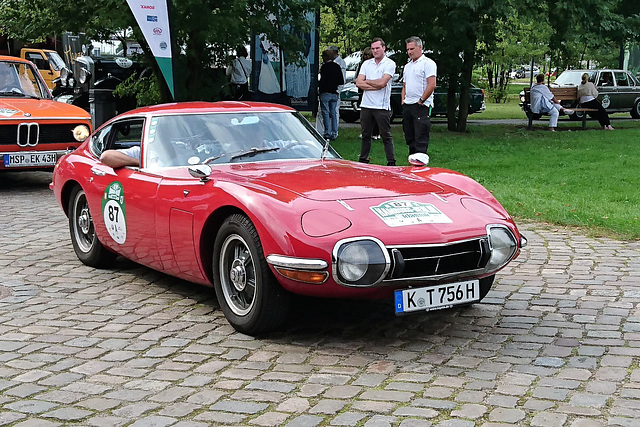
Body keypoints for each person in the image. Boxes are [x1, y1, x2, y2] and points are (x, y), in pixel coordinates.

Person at [356, 37, 396, 166]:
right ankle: (363, 159)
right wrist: (374, 84)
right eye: (373, 48)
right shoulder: (367, 64)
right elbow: (358, 82)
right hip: (366, 105)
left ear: (384, 48)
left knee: (385, 134)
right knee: (365, 134)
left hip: (381, 106)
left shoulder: (389, 63)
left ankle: (391, 161)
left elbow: (382, 83)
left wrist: (367, 82)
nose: (375, 51)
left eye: (377, 48)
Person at [401, 36, 436, 155]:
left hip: (421, 106)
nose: (409, 52)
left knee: (420, 136)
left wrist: (421, 100)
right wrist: (403, 100)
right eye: (408, 50)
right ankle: (412, 162)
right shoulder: (407, 66)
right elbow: (404, 85)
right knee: (409, 136)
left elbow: (431, 84)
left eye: (412, 49)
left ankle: (420, 164)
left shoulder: (428, 64)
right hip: (408, 104)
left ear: (420, 47)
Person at [316, 45, 346, 137]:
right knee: (333, 113)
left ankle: (327, 132)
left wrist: (320, 89)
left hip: (325, 92)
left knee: (324, 112)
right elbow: (341, 80)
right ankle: (334, 132)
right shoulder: (337, 66)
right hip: (334, 93)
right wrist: (337, 90)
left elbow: (323, 80)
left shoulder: (325, 67)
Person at [356, 47, 379, 139]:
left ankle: (376, 133)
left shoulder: (377, 65)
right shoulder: (362, 65)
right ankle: (366, 132)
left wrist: (368, 83)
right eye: (365, 55)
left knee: (376, 115)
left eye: (368, 55)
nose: (366, 57)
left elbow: (378, 82)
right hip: (363, 92)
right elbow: (359, 80)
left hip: (375, 94)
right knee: (365, 115)